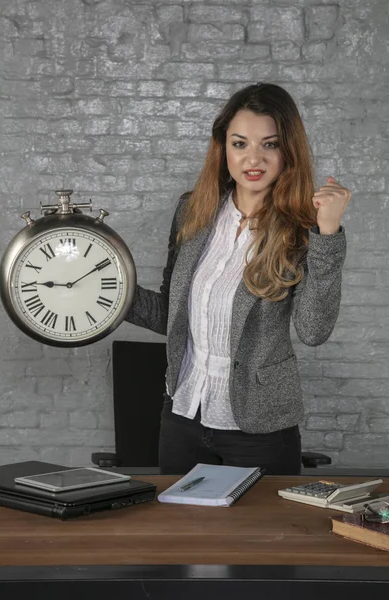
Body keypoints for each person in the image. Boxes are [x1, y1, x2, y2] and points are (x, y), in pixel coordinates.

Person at [125, 82, 351, 475]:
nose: (254, 158)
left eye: (270, 144)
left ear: (288, 151)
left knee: (260, 538)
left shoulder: (303, 229)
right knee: (184, 536)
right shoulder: (192, 212)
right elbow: (171, 315)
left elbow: (313, 330)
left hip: (259, 425)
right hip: (184, 413)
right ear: (223, 147)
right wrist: (105, 296)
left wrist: (327, 234)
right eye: (240, 143)